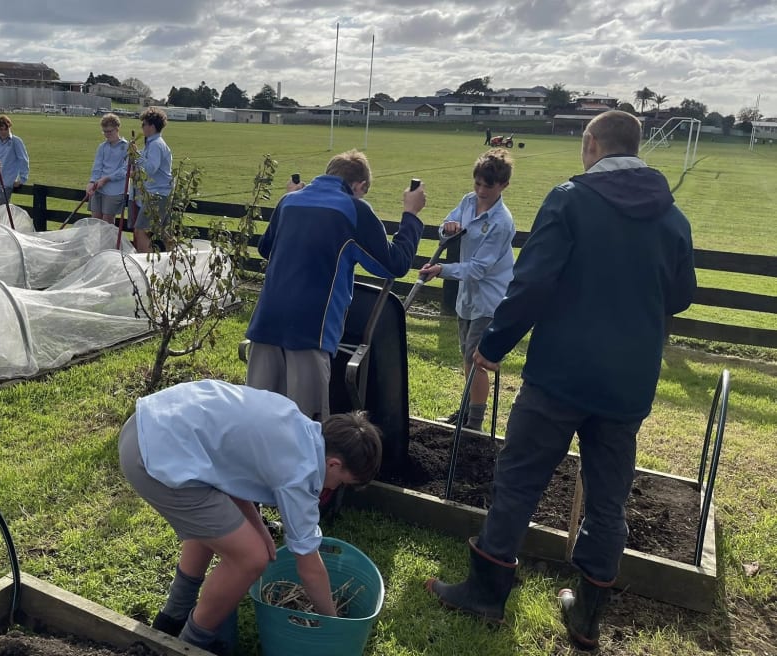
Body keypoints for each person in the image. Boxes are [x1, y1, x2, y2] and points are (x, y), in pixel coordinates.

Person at [425, 110, 696, 651]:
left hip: (560, 375)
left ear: (592, 144)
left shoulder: (569, 199)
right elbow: (681, 295)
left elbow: (530, 285)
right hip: (626, 385)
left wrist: (492, 346)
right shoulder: (673, 218)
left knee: (520, 479)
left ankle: (486, 590)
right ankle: (587, 615)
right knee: (608, 498)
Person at [118, 379, 383, 655]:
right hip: (153, 458)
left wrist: (258, 527)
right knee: (251, 558)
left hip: (145, 424)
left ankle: (171, 618)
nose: (333, 487)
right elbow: (309, 566)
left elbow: (229, 475)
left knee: (222, 528)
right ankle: (190, 645)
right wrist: (332, 622)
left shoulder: (296, 424)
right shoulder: (301, 472)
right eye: (341, 481)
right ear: (333, 464)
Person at [245, 149, 425, 421]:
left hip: (264, 325)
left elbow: (265, 248)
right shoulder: (354, 209)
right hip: (310, 332)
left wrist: (294, 199)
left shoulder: (288, 202)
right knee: (303, 426)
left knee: (256, 418)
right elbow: (394, 265)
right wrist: (410, 214)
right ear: (360, 186)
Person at [419, 149, 515, 431]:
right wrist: (447, 229)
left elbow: (478, 269)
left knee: (477, 359)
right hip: (468, 296)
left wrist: (442, 270)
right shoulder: (468, 201)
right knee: (466, 356)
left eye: (489, 185)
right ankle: (465, 412)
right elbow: (445, 230)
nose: (481, 190)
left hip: (489, 296)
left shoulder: (501, 222)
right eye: (478, 183)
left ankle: (473, 425)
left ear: (503, 186)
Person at [131, 106, 173, 252]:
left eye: (144, 124)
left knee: (140, 230)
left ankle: (148, 268)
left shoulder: (155, 145)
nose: (142, 127)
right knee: (164, 232)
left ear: (152, 127)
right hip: (162, 194)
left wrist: (137, 154)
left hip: (156, 194)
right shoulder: (153, 144)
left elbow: (150, 168)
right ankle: (175, 264)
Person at [86, 112, 129, 224]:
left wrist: (107, 179)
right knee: (95, 220)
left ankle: (109, 242)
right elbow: (97, 167)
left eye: (110, 131)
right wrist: (92, 182)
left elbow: (125, 170)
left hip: (115, 190)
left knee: (107, 221)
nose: (107, 134)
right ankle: (97, 242)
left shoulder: (127, 147)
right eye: (105, 132)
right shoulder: (102, 147)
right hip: (98, 188)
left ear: (117, 129)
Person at [0, 115, 30, 211]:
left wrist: (22, 179)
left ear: (9, 127)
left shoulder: (16, 141)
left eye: (5, 129)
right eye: (0, 129)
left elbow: (23, 160)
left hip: (5, 183)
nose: (3, 132)